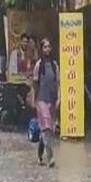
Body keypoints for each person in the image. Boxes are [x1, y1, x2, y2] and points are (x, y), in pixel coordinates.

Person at [32, 38, 59, 168]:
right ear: (41, 49)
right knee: (47, 128)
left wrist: (58, 98)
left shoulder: (55, 65)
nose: (47, 49)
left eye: (49, 47)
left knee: (48, 130)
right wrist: (34, 100)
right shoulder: (38, 66)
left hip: (52, 101)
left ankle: (39, 154)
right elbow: (35, 84)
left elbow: (58, 83)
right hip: (41, 100)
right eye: (45, 47)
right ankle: (51, 157)